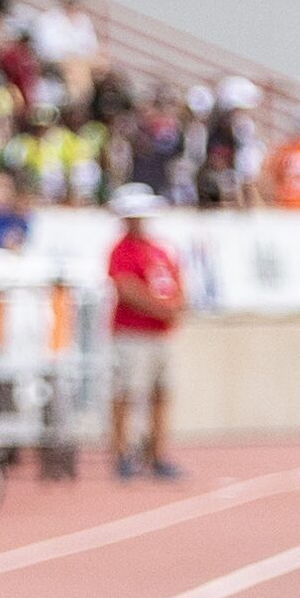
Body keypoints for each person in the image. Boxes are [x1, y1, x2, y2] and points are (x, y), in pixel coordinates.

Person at [107, 183, 185, 479]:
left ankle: (156, 453)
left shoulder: (159, 249)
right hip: (132, 333)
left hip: (159, 334)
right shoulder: (121, 250)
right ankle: (122, 451)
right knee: (125, 393)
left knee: (160, 394)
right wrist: (162, 308)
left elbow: (178, 283)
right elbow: (125, 288)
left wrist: (175, 307)